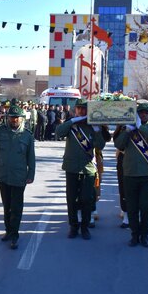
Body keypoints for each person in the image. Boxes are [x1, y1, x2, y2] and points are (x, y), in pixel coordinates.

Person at [0, 105, 35, 250]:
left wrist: (31, 175)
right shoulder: (0, 131)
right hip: (3, 175)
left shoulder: (27, 135)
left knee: (16, 207)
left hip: (19, 176)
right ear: (7, 118)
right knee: (7, 206)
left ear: (21, 119)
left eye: (17, 118)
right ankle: (8, 231)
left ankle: (15, 235)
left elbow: (31, 158)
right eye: (11, 117)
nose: (14, 120)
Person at [55, 99, 106, 239]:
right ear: (75, 110)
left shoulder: (92, 126)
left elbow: (100, 145)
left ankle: (84, 227)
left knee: (86, 199)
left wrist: (97, 131)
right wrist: (71, 121)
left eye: (84, 109)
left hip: (87, 168)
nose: (81, 111)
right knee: (71, 199)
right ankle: (73, 226)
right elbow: (58, 132)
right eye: (79, 109)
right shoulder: (71, 125)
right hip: (71, 167)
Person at [113, 100, 148, 247]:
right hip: (130, 173)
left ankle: (144, 234)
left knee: (146, 206)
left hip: (147, 174)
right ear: (137, 114)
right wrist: (127, 130)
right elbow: (119, 144)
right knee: (132, 207)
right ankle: (135, 235)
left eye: (146, 113)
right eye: (141, 113)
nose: (144, 115)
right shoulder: (128, 129)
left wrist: (139, 126)